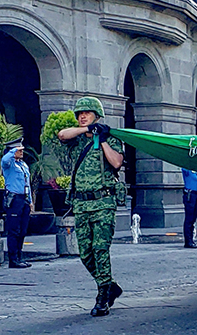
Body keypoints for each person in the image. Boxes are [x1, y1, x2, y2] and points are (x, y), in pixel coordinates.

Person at [58, 96, 124, 317]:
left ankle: (103, 295)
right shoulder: (76, 141)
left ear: (97, 115)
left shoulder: (111, 139)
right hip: (82, 204)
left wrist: (102, 138)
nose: (82, 116)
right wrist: (85, 129)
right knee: (85, 254)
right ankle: (110, 285)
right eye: (79, 114)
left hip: (103, 203)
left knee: (100, 249)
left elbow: (116, 162)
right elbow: (62, 135)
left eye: (87, 113)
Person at [1, 138, 32, 269]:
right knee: (13, 230)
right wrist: (13, 150)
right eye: (20, 150)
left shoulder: (23, 165)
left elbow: (27, 184)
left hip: (24, 198)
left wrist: (30, 200)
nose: (22, 152)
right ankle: (13, 259)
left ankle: (19, 256)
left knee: (23, 230)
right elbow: (4, 160)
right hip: (14, 199)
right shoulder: (9, 164)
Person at [182, 168, 197, 248]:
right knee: (189, 218)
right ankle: (188, 241)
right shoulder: (187, 170)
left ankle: (191, 239)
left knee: (193, 218)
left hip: (196, 194)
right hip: (190, 194)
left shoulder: (195, 171)